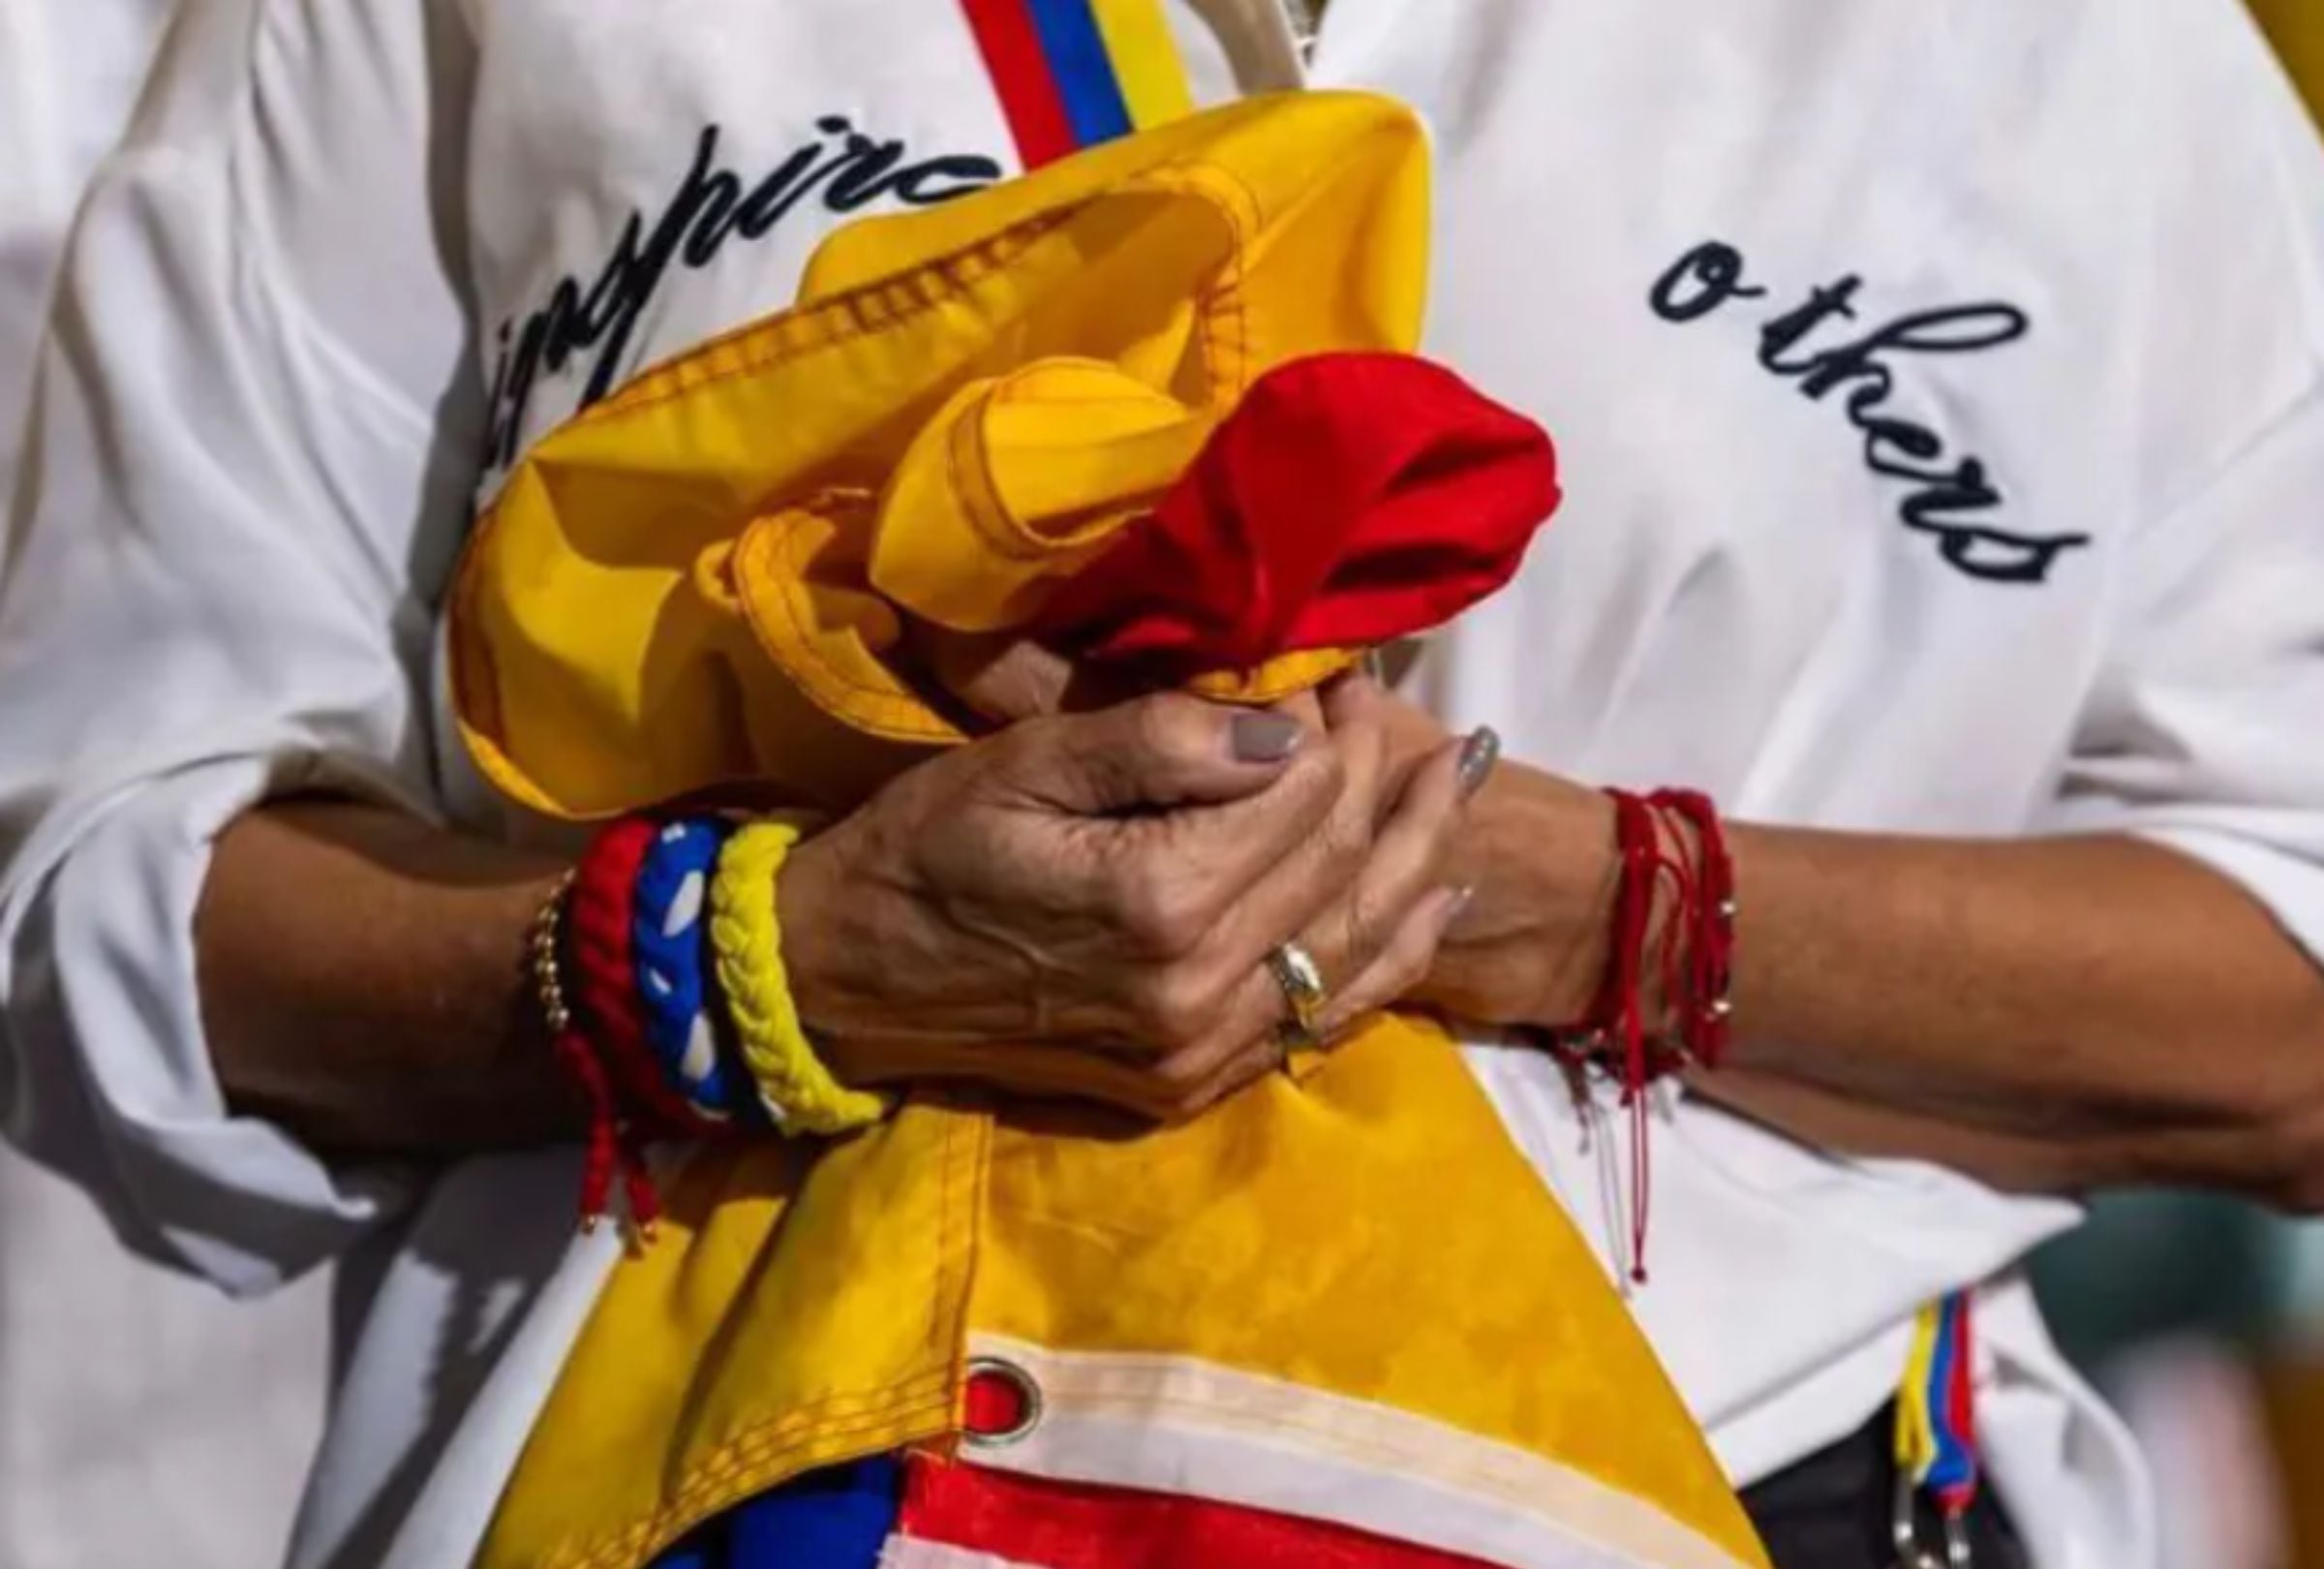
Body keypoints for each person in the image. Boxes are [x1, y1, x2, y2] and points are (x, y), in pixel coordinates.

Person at [3, 2, 2321, 1567]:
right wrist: (763, 960)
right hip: (712, 1488)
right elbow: (107, 874)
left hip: (1757, 1481)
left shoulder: (2077, 53)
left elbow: (2291, 1000)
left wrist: (1584, 906)